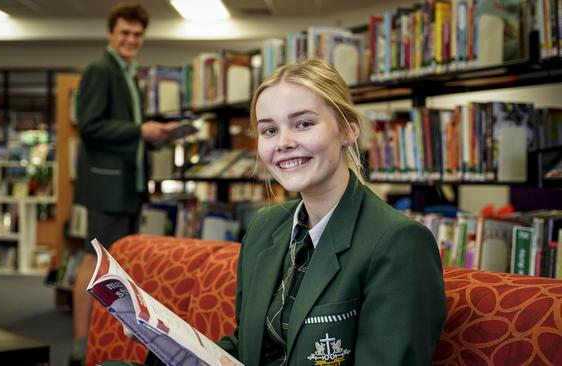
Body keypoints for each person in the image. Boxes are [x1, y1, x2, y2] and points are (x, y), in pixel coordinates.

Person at [106, 58, 447, 366]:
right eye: (269, 130)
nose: (282, 142)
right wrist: (169, 342)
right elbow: (248, 349)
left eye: (303, 124)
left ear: (348, 129)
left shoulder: (399, 242)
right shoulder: (265, 226)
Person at [69, 3, 177, 365]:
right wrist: (139, 131)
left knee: (115, 263)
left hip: (126, 184)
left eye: (137, 34)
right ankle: (81, 344)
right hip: (107, 186)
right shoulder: (101, 70)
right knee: (94, 260)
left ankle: (102, 339)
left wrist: (150, 135)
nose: (131, 40)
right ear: (110, 33)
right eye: (125, 33)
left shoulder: (127, 73)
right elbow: (89, 125)